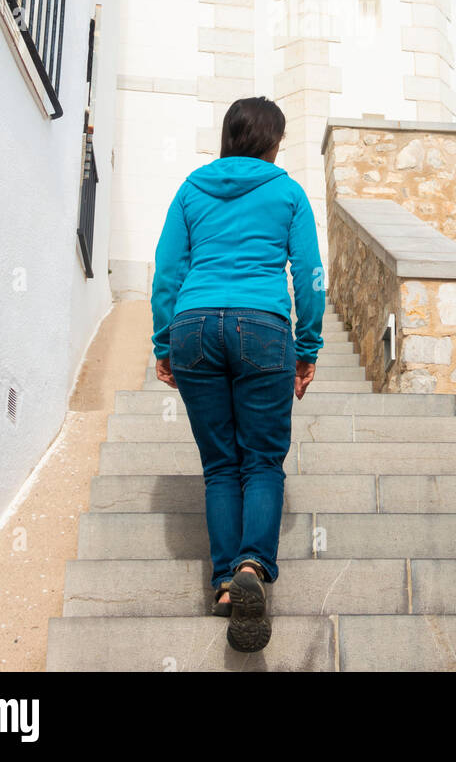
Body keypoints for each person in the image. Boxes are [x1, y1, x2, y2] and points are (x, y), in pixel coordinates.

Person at [150, 96, 325, 652]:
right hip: (263, 327)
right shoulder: (287, 191)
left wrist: (163, 341)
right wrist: (307, 345)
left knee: (220, 463)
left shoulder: (191, 188)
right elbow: (312, 275)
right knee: (263, 460)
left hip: (195, 325)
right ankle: (252, 566)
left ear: (228, 137)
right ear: (273, 144)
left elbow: (167, 270)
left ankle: (227, 580)